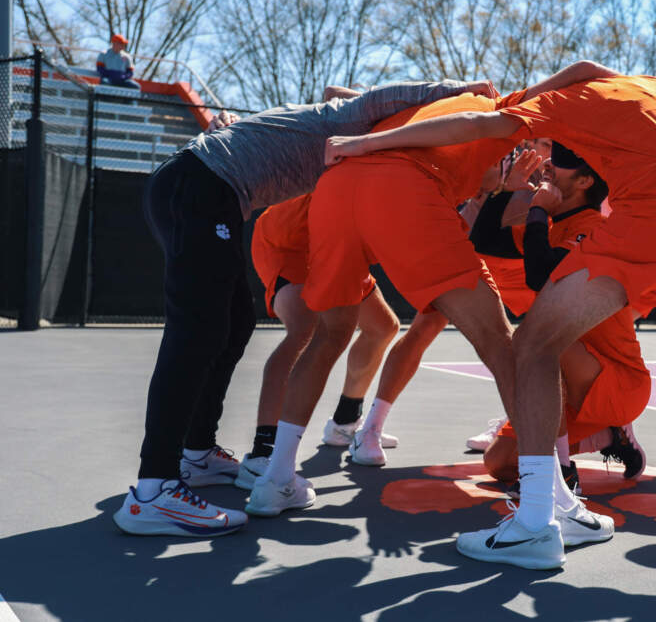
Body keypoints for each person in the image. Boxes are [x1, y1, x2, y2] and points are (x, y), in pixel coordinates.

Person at [324, 72, 656, 569]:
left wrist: (366, 143)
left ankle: (537, 521)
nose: (542, 153)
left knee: (533, 344)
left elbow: (470, 123)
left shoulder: (560, 103)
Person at [245, 61, 624, 561]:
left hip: (338, 189)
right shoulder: (513, 110)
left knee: (330, 334)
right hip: (398, 185)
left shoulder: (439, 106)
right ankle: (552, 502)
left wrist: (494, 183)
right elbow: (487, 125)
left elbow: (360, 101)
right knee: (506, 345)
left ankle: (275, 480)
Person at [111, 78, 485, 537]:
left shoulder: (346, 132)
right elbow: (384, 96)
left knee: (231, 325)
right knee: (198, 331)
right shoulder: (350, 118)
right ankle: (154, 488)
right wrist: (462, 88)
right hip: (200, 187)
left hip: (210, 193)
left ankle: (196, 453)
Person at [469, 144, 650, 489]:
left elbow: (541, 274)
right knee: (499, 462)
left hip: (617, 379)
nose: (549, 164)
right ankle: (610, 438)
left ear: (584, 181)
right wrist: (506, 191)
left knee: (537, 336)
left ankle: (564, 472)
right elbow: (483, 241)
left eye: (563, 163)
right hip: (566, 379)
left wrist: (537, 210)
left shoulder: (597, 230)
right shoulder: (551, 227)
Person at [236, 193, 400, 489]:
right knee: (304, 331)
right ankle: (262, 451)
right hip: (292, 240)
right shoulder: (395, 165)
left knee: (383, 326)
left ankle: (344, 424)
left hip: (341, 244)